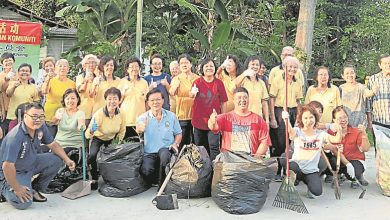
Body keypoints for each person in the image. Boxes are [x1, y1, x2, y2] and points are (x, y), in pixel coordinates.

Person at [0, 103, 76, 210]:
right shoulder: (15, 136)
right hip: (15, 171)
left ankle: (35, 188)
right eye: (34, 116)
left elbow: (53, 144)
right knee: (23, 203)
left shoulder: (41, 127)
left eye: (41, 117)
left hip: (31, 162)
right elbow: (7, 166)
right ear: (25, 116)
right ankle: (3, 187)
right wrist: (17, 189)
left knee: (57, 159)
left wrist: (67, 160)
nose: (38, 120)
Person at [282, 105, 342, 198]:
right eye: (305, 118)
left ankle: (309, 186)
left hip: (311, 171)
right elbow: (291, 133)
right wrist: (286, 120)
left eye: (311, 117)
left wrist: (339, 129)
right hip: (297, 168)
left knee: (317, 191)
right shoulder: (298, 131)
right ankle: (290, 184)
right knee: (291, 165)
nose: (308, 121)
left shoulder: (321, 134)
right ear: (301, 119)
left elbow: (336, 139)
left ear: (315, 118)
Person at [136, 88, 182, 187]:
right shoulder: (143, 117)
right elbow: (138, 129)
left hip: (166, 150)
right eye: (152, 100)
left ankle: (162, 185)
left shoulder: (171, 116)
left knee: (164, 154)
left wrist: (175, 144)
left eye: (158, 99)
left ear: (163, 100)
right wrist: (140, 128)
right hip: (149, 153)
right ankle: (156, 178)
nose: (155, 102)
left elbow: (178, 133)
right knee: (146, 171)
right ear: (148, 102)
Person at [208, 87, 271, 156]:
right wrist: (212, 121)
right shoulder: (225, 117)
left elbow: (265, 141)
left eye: (245, 97)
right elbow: (213, 127)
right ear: (234, 101)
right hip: (230, 161)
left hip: (250, 162)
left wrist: (256, 157)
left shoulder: (258, 119)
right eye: (239, 98)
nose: (242, 100)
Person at [269, 56, 303, 181]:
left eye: (295, 67)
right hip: (280, 111)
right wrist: (272, 117)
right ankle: (278, 170)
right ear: (284, 67)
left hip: (293, 110)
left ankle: (288, 170)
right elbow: (271, 99)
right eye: (290, 67)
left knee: (292, 142)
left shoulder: (298, 81)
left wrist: (299, 117)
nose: (292, 69)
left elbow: (299, 100)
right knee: (280, 142)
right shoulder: (277, 80)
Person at [85, 87, 126, 190]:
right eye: (110, 99)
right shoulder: (99, 114)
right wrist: (91, 131)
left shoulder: (121, 113)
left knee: (115, 155)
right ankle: (94, 178)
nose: (112, 101)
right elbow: (87, 134)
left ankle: (111, 178)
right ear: (106, 100)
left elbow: (122, 131)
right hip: (98, 137)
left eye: (115, 98)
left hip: (112, 138)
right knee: (92, 156)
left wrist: (118, 143)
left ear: (119, 100)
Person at [190, 58, 228, 161]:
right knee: (200, 148)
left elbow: (223, 102)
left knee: (214, 147)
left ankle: (214, 171)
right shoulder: (197, 82)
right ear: (202, 69)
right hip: (199, 121)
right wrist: (192, 94)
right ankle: (203, 171)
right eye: (206, 66)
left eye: (211, 66)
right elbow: (192, 94)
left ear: (215, 68)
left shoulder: (219, 83)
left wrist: (222, 118)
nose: (209, 68)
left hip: (214, 121)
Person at [327, 106, 370, 188]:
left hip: (354, 160)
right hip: (340, 160)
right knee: (331, 159)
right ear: (334, 120)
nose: (343, 120)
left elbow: (366, 149)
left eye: (345, 117)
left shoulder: (356, 131)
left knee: (355, 173)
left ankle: (357, 177)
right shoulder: (330, 133)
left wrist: (364, 134)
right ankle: (338, 176)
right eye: (340, 118)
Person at [169, 54, 199, 148]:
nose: (184, 65)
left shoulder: (197, 78)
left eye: (186, 62)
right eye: (181, 63)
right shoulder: (176, 78)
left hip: (197, 114)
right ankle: (182, 161)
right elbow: (171, 92)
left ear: (190, 64)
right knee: (183, 141)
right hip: (183, 115)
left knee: (196, 141)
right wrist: (175, 86)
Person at [42, 59, 76, 136]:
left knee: (62, 142)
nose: (62, 68)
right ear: (56, 69)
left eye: (65, 66)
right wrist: (47, 80)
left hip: (65, 117)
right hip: (50, 115)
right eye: (60, 66)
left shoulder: (72, 83)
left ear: (68, 69)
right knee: (49, 140)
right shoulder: (51, 80)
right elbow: (44, 91)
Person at [118, 57, 149, 138]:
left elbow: (147, 102)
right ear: (127, 69)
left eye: (137, 66)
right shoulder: (122, 82)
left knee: (140, 145)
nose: (134, 69)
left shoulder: (144, 83)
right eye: (132, 67)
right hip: (126, 120)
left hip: (140, 121)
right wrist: (123, 94)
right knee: (126, 146)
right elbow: (117, 102)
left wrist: (147, 117)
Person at [235, 55, 269, 123]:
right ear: (247, 66)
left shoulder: (261, 83)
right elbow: (235, 84)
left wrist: (267, 120)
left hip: (258, 118)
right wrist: (244, 74)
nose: (255, 67)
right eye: (252, 64)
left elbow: (264, 102)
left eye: (257, 65)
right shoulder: (243, 79)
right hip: (243, 117)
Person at [6, 64, 40, 131]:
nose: (24, 72)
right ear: (18, 73)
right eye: (22, 70)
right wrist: (14, 87)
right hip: (13, 117)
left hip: (28, 118)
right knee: (13, 139)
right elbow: (8, 94)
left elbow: (36, 102)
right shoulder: (12, 83)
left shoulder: (34, 87)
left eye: (27, 71)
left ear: (30, 74)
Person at [52, 89, 86, 153]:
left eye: (73, 98)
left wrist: (81, 126)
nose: (70, 101)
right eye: (67, 98)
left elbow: (81, 124)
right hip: (59, 144)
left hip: (74, 145)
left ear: (77, 99)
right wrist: (56, 117)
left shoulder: (80, 113)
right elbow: (53, 122)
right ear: (64, 100)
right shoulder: (60, 111)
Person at [367, 54, 390, 130]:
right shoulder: (373, 79)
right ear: (380, 65)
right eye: (385, 63)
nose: (388, 65)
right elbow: (368, 102)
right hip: (379, 123)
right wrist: (369, 121)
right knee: (381, 142)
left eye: (389, 63)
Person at [76, 54, 98, 128]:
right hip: (84, 111)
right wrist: (86, 80)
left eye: (93, 62)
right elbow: (81, 90)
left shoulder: (98, 78)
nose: (91, 65)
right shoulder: (80, 77)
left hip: (97, 110)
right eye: (88, 63)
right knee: (83, 135)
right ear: (84, 66)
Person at [0, 52, 16, 127]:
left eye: (10, 60)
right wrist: (2, 110)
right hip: (5, 109)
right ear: (2, 64)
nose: (8, 62)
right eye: (6, 61)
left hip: (16, 109)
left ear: (14, 61)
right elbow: (1, 91)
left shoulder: (18, 75)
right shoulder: (1, 76)